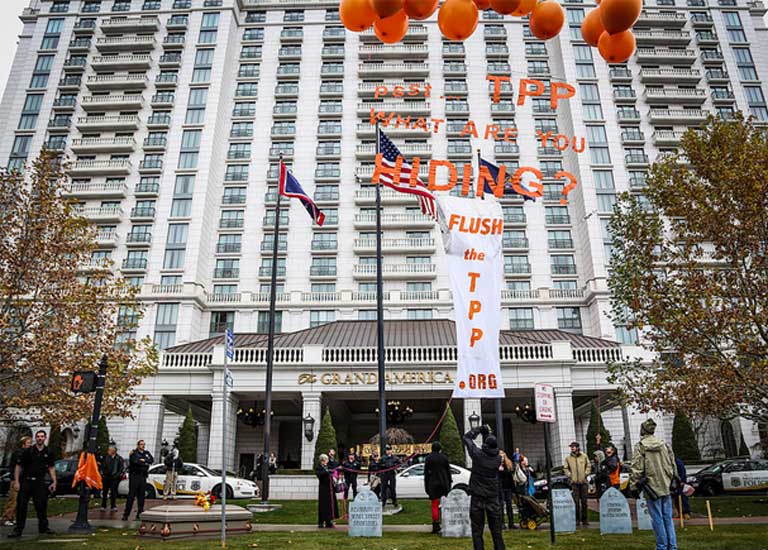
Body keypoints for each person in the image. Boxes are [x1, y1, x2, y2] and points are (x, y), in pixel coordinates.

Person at [629, 419, 678, 550]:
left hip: (651, 487)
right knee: (667, 518)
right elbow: (672, 464)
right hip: (666, 485)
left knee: (657, 518)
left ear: (643, 430)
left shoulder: (640, 446)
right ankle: (672, 546)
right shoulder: (664, 445)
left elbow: (636, 468)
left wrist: (633, 486)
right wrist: (673, 479)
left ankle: (661, 546)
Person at [463, 425, 505, 550]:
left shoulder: (477, 455)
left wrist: (479, 430)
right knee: (496, 532)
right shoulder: (498, 458)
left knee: (477, 531)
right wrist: (486, 434)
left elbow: (466, 438)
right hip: (492, 497)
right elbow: (490, 448)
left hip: (477, 497)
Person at [8, 430, 56, 539]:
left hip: (39, 482)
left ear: (45, 438)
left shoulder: (49, 452)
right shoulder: (28, 451)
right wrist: (16, 481)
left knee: (41, 506)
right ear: (36, 438)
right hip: (26, 481)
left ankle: (43, 528)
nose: (40, 438)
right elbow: (18, 466)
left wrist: (54, 481)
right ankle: (18, 530)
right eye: (38, 436)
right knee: (21, 506)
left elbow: (51, 467)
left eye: (42, 436)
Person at [2, 436, 32, 527]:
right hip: (16, 479)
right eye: (28, 443)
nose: (30, 445)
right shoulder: (19, 453)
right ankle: (6, 517)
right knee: (13, 499)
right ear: (23, 444)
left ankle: (12, 517)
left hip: (23, 479)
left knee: (19, 500)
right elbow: (17, 466)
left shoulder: (27, 453)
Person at [423, 441, 452, 534]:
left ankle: (436, 525)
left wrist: (426, 486)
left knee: (434, 505)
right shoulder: (444, 458)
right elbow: (448, 471)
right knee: (444, 504)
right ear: (440, 449)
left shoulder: (428, 458)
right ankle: (446, 523)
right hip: (444, 483)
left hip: (433, 483)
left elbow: (426, 474)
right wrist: (449, 482)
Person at [122, 440, 154, 521]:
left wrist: (144, 461)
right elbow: (136, 462)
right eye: (141, 444)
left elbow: (151, 460)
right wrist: (144, 462)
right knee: (131, 495)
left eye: (144, 444)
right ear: (138, 445)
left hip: (143, 476)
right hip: (135, 476)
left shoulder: (146, 453)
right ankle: (126, 514)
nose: (143, 446)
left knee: (141, 495)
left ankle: (140, 512)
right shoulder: (134, 453)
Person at [564, 441, 590, 527]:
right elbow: (565, 468)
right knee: (576, 502)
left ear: (577, 447)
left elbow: (588, 466)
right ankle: (577, 520)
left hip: (584, 482)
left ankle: (585, 520)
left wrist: (586, 473)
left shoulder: (584, 456)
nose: (572, 448)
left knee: (584, 502)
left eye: (573, 446)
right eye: (571, 447)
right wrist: (570, 475)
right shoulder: (568, 458)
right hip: (574, 483)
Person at [315, 454, 339, 528]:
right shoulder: (319, 468)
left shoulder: (328, 467)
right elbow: (319, 475)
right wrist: (326, 471)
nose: (327, 461)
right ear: (322, 461)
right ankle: (321, 522)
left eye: (327, 460)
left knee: (330, 505)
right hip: (323, 489)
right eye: (326, 460)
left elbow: (335, 468)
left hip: (330, 489)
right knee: (323, 505)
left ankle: (329, 521)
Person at [100, 446, 125, 512]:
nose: (108, 451)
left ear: (114, 451)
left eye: (109, 450)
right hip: (106, 477)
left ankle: (113, 506)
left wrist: (117, 476)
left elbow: (121, 468)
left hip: (114, 478)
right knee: (105, 492)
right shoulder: (106, 457)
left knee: (113, 492)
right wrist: (103, 474)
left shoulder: (119, 458)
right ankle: (103, 505)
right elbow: (103, 466)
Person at [497, 449, 518, 530]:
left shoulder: (508, 463)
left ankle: (511, 523)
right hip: (500, 487)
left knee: (509, 506)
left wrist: (513, 489)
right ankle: (501, 523)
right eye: (500, 454)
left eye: (502, 453)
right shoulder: (496, 464)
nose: (501, 455)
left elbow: (510, 475)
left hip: (508, 486)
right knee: (501, 505)